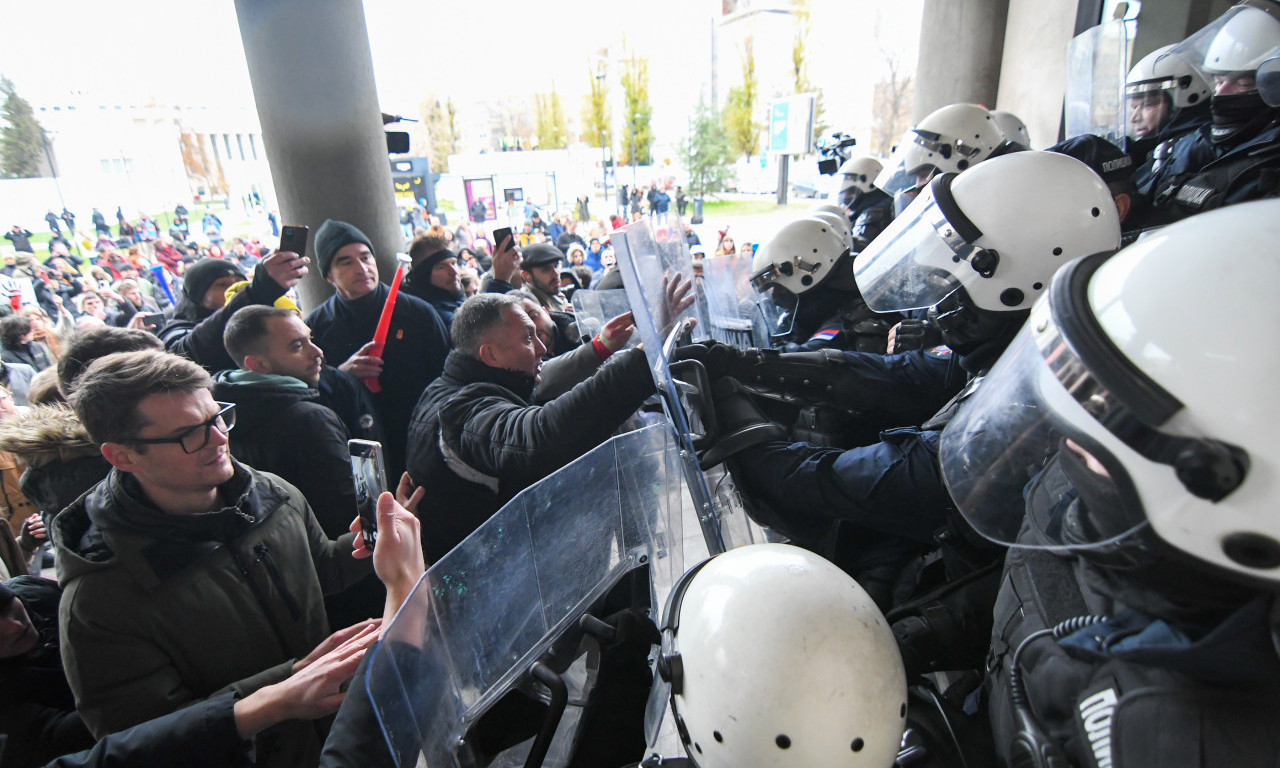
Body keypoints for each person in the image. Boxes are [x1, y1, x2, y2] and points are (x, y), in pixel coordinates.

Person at [937, 200, 1280, 767]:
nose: (1068, 446)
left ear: (1221, 493)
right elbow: (1043, 569)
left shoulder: (1192, 740)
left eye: (1099, 432)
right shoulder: (1110, 513)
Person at [712, 151, 1123, 607]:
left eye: (955, 285)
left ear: (1022, 279)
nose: (940, 308)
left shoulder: (1037, 400)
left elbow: (849, 480)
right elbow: (895, 375)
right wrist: (750, 365)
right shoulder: (1017, 348)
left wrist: (738, 426)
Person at [55, 349, 375, 766]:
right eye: (190, 433)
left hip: (337, 739)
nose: (220, 438)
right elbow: (151, 743)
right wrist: (290, 683)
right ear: (123, 456)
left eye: (217, 417)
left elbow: (319, 570)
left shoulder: (271, 493)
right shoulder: (99, 597)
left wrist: (369, 546)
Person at [405, 290, 678, 563]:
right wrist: (643, 358)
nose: (541, 348)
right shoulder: (463, 412)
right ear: (490, 355)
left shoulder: (448, 389)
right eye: (527, 337)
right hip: (493, 588)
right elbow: (540, 437)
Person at [305, 219, 450, 480]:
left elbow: (447, 380)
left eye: (365, 257)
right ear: (328, 275)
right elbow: (309, 394)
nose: (361, 268)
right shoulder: (316, 327)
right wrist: (339, 376)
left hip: (419, 443)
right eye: (345, 262)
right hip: (358, 453)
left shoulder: (417, 313)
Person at [1135, 0, 1280, 227]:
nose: (1220, 93)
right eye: (1218, 80)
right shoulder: (1191, 143)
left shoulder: (1271, 165)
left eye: (1242, 84)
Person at [158, 250, 308, 374]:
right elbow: (188, 353)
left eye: (239, 282)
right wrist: (257, 292)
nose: (235, 289)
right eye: (222, 284)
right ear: (198, 296)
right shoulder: (175, 331)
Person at [402, 232, 464, 326]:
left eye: (454, 263)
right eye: (441, 267)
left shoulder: (453, 298)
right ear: (423, 275)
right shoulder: (431, 315)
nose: (454, 272)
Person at [518, 243, 572, 313]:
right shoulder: (528, 306)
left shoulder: (552, 293)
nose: (555, 274)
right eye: (546, 269)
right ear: (526, 276)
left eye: (556, 266)